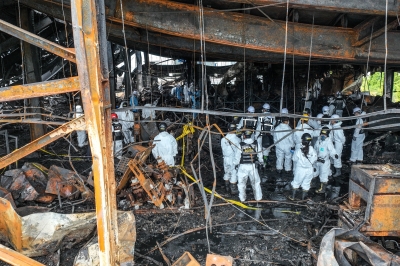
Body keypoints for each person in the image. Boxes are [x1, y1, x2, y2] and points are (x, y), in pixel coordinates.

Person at [237, 130, 263, 202]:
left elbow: (237, 157)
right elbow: (260, 155)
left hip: (243, 166)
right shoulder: (256, 144)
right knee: (256, 183)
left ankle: (242, 198)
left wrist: (235, 164)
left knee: (241, 184)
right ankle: (258, 198)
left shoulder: (241, 144)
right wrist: (261, 162)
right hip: (253, 166)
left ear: (244, 136)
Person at [290, 133, 317, 200]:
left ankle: (293, 197)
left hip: (300, 170)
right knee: (306, 184)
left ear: (302, 140)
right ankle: (302, 198)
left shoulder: (298, 151)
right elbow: (315, 159)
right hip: (309, 170)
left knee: (296, 182)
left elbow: (294, 159)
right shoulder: (313, 151)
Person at [314, 127, 338, 194]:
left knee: (323, 175)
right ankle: (315, 184)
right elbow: (315, 149)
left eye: (324, 135)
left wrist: (334, 155)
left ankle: (323, 189)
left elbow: (332, 150)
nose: (323, 136)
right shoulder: (318, 141)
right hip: (317, 160)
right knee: (315, 172)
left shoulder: (328, 142)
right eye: (322, 134)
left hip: (324, 161)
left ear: (327, 135)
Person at [221, 123, 241, 194]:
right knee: (233, 173)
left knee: (227, 172)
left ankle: (227, 188)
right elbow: (238, 151)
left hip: (225, 158)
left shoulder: (223, 139)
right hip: (233, 158)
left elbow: (223, 149)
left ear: (228, 129)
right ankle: (233, 189)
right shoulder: (237, 140)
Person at [329, 114, 345, 199]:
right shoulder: (334, 126)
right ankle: (333, 169)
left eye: (332, 119)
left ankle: (338, 171)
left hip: (338, 144)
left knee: (337, 157)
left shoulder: (338, 128)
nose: (331, 121)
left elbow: (342, 138)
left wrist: (341, 144)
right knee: (333, 156)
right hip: (335, 143)